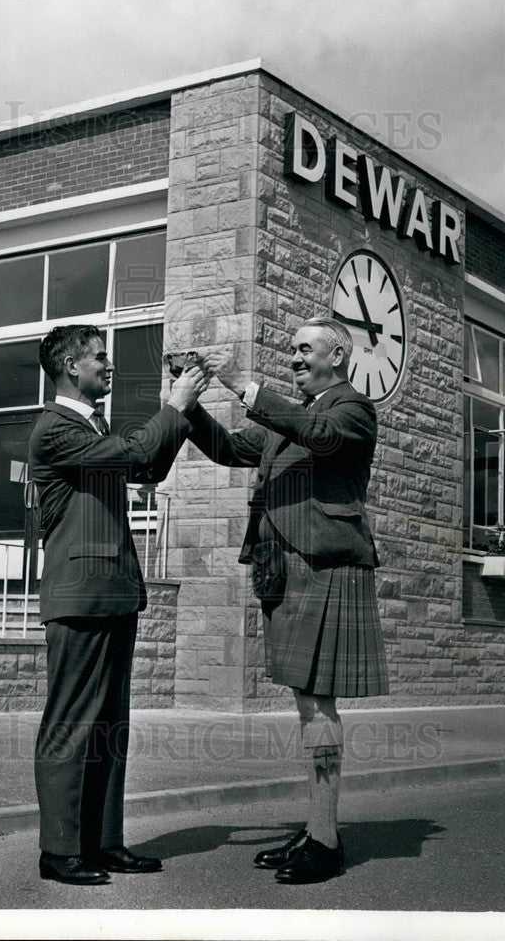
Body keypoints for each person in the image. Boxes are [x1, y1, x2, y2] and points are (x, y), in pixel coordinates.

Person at [189, 316, 389, 885]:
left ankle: (325, 841)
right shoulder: (288, 420)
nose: (295, 357)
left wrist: (242, 386)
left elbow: (321, 436)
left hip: (327, 566)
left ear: (338, 358)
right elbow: (231, 448)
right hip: (286, 570)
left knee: (319, 703)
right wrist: (188, 403)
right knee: (308, 701)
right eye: (293, 350)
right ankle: (318, 828)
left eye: (305, 350)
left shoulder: (351, 408)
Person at [30, 324, 207, 886]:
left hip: (110, 594)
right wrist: (173, 406)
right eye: (99, 359)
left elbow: (147, 467)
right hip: (80, 597)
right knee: (72, 725)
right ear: (68, 366)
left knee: (109, 727)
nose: (108, 366)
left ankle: (102, 843)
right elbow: (135, 454)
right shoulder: (57, 428)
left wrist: (182, 410)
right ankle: (59, 851)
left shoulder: (90, 427)